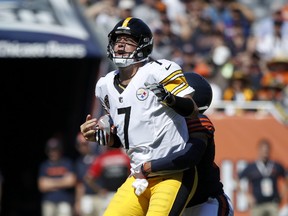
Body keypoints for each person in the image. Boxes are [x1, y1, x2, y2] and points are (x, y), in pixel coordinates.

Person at [80, 17, 199, 216]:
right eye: (118, 40)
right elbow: (126, 136)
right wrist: (99, 136)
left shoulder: (159, 70)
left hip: (171, 175)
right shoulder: (104, 85)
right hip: (138, 176)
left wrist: (169, 99)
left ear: (143, 45)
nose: (120, 45)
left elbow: (192, 110)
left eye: (128, 41)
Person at [136, 72, 234, 216]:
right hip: (177, 204)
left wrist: (149, 167)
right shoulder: (164, 123)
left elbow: (190, 157)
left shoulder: (197, 121)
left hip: (206, 203)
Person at [238, 138, 287, 216]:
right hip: (258, 205)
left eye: (267, 150)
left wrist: (282, 194)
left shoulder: (275, 166)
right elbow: (238, 180)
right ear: (259, 150)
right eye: (263, 150)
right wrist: (247, 196)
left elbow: (285, 177)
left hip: (272, 203)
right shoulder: (252, 167)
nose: (265, 152)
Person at [84, 146, 131, 215]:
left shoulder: (102, 158)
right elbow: (88, 178)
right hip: (112, 195)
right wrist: (99, 190)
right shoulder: (124, 156)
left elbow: (88, 178)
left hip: (121, 194)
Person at [38, 136, 76, 216]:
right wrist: (62, 181)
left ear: (60, 150)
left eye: (55, 150)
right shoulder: (44, 165)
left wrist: (50, 182)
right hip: (49, 201)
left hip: (65, 200)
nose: (52, 152)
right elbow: (42, 186)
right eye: (50, 150)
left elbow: (71, 182)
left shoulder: (67, 163)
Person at [74, 132, 100, 216]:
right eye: (80, 144)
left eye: (85, 144)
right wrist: (78, 202)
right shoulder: (79, 163)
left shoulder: (100, 158)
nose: (83, 146)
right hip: (86, 197)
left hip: (100, 196)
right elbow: (80, 184)